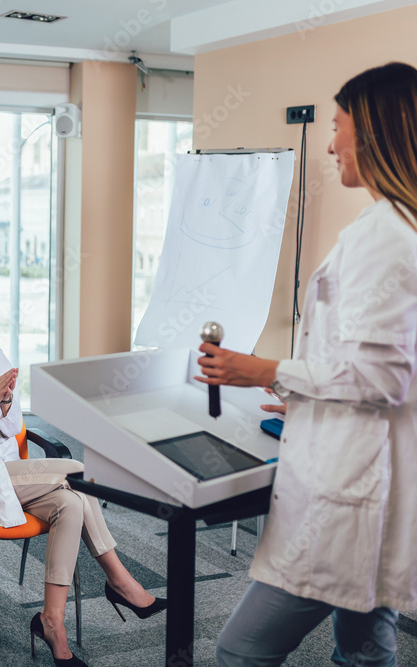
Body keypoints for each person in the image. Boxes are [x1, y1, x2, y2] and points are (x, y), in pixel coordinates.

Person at [199, 62, 417, 667]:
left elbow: (382, 377)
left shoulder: (385, 235)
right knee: (365, 650)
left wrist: (265, 370)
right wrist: (305, 391)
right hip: (374, 478)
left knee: (240, 651)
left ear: (373, 133)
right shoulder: (398, 225)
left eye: (339, 126)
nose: (329, 144)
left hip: (350, 495)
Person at [0, 270, 166, 667]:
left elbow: (15, 427)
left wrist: (4, 405)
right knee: (76, 472)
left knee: (72, 504)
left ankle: (51, 622)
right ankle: (120, 580)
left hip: (9, 470)